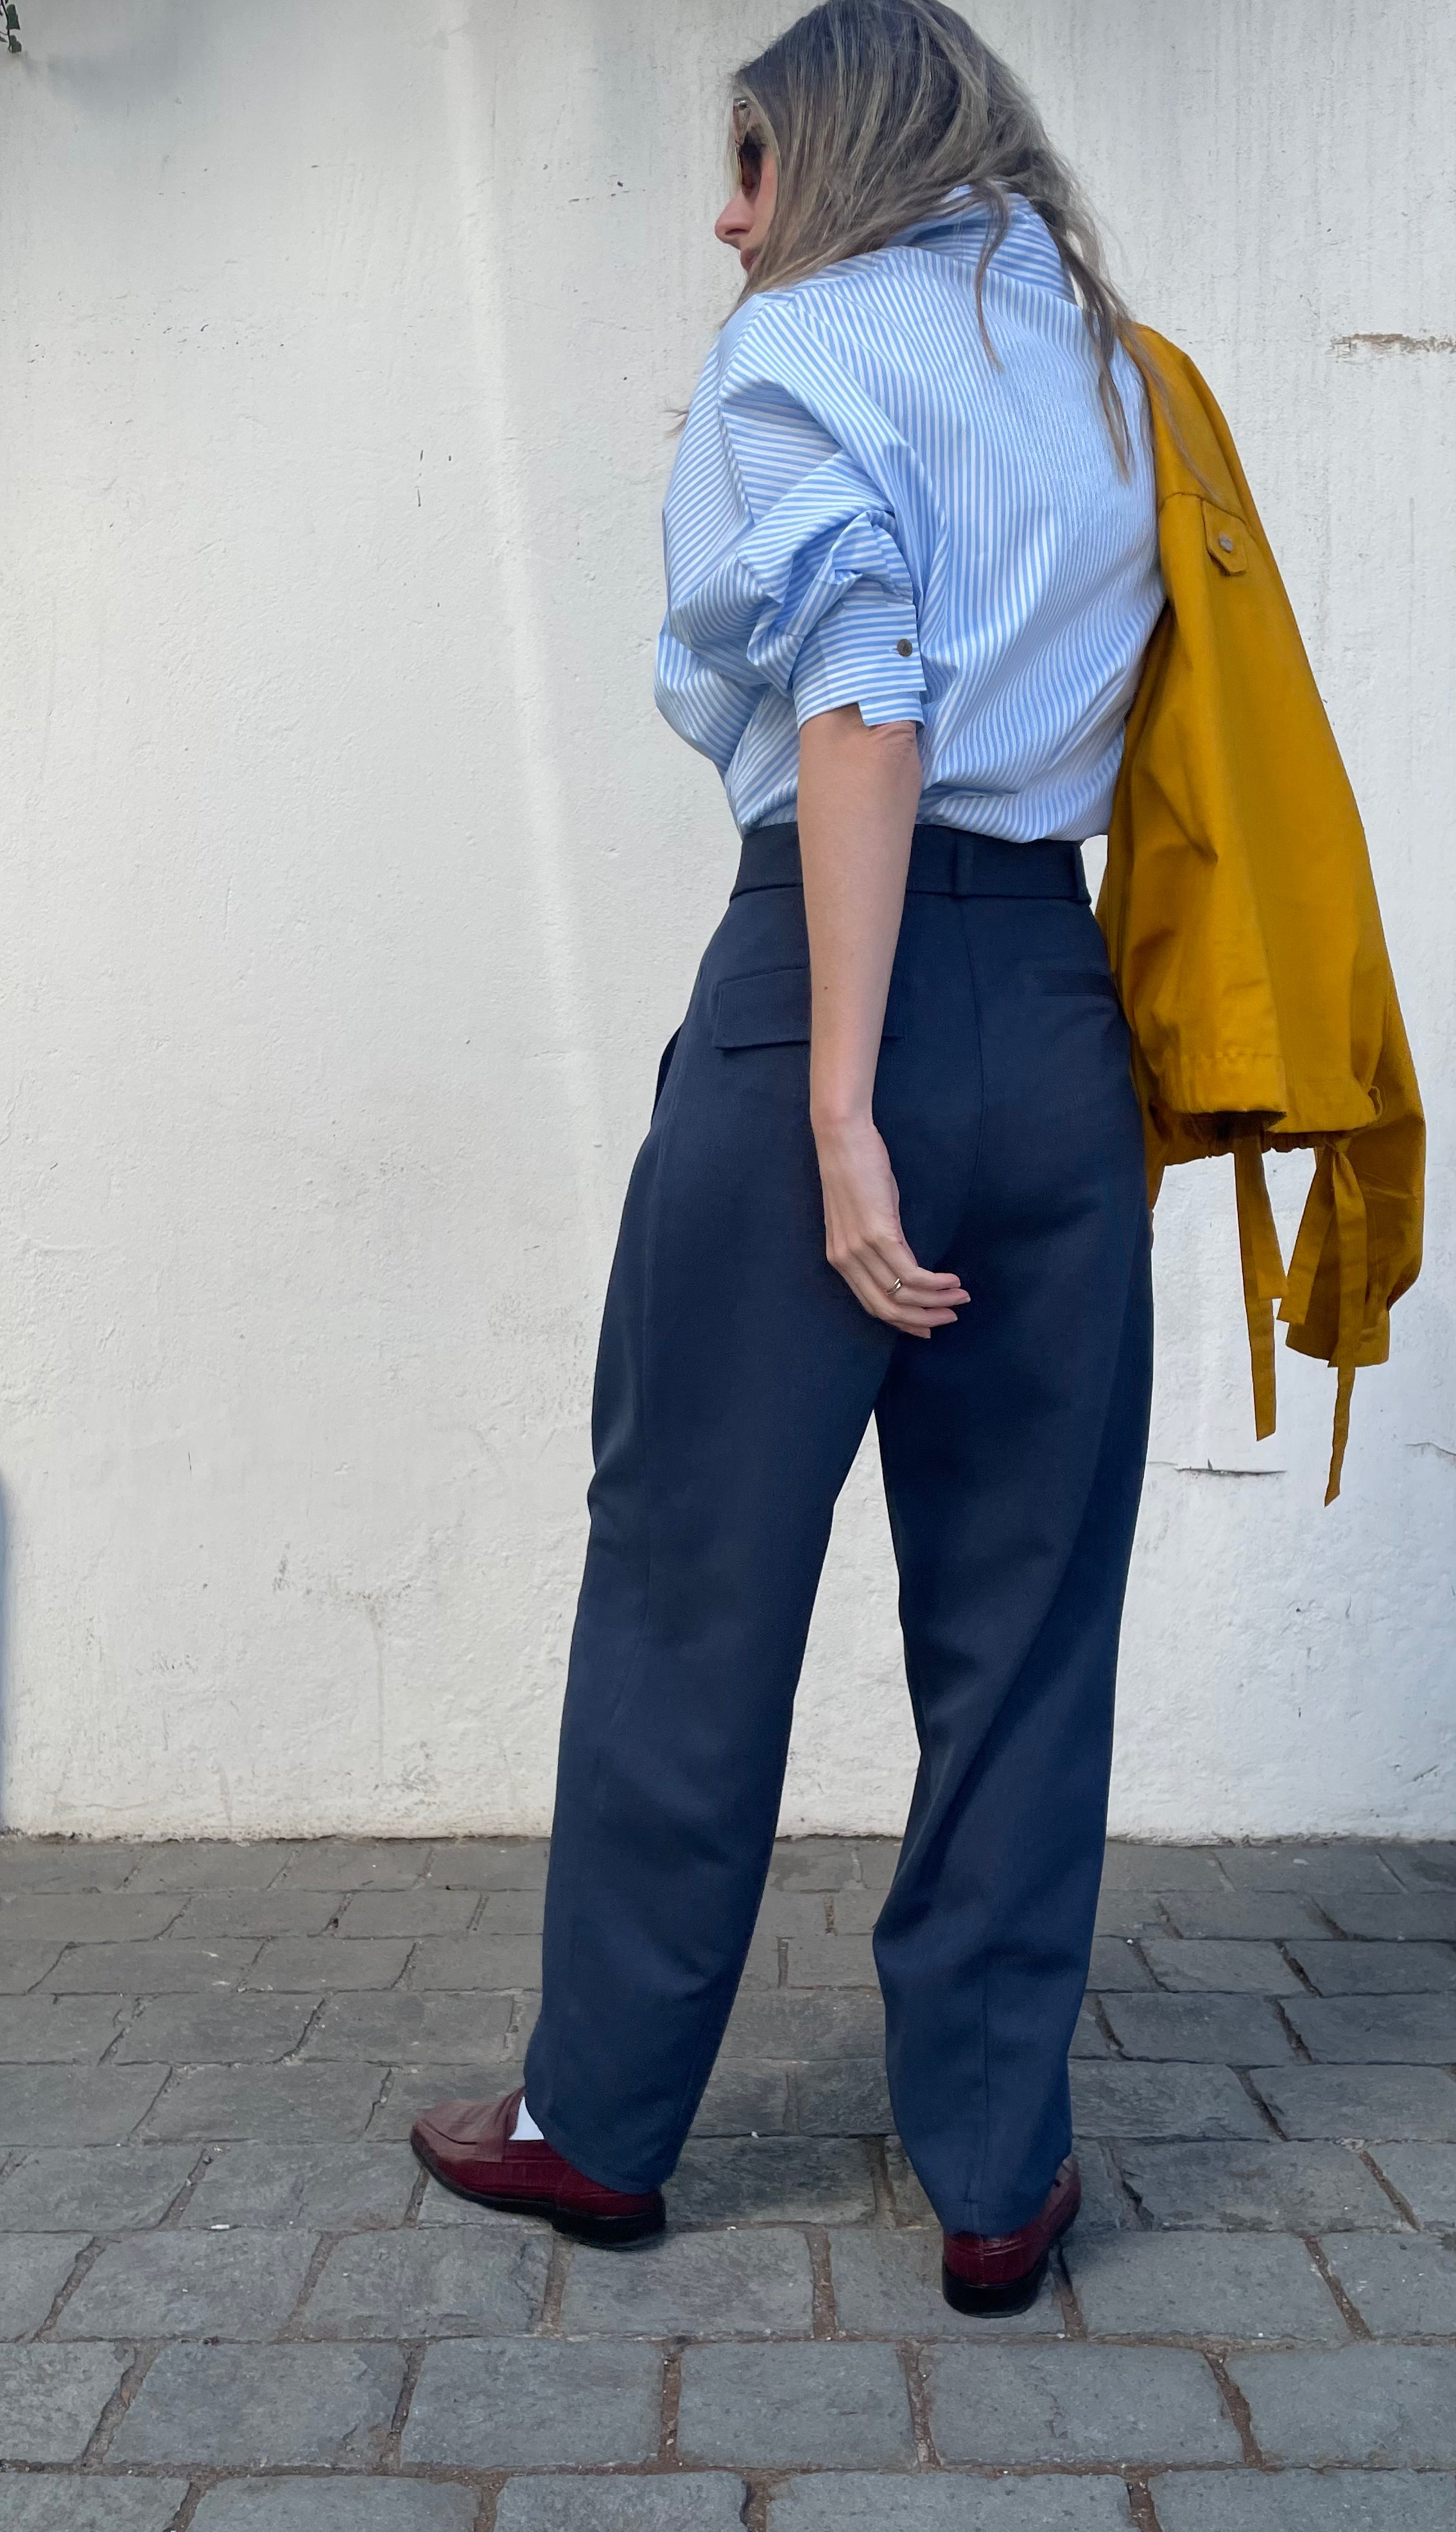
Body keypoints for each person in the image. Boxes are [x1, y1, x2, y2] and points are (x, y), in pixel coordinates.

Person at [414, 0, 1165, 2317]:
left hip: (810, 997)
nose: (725, 218)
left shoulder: (800, 351)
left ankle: (598, 2127)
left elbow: (859, 699)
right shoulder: (1112, 375)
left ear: (842, 149)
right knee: (1025, 1616)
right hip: (1055, 1014)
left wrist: (840, 1106)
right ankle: (998, 2172)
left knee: (691, 1580)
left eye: (750, 161)